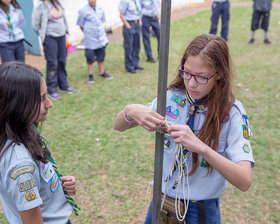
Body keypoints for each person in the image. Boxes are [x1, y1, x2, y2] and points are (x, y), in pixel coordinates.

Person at [114, 34, 254, 223]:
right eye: (186, 72)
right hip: (161, 200)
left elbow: (244, 181)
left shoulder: (232, 113)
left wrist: (201, 147)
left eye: (202, 77)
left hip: (200, 208)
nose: (191, 83)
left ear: (219, 73)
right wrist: (129, 111)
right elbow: (118, 126)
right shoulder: (171, 98)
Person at [0, 62, 80, 223]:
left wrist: (57, 185)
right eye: (42, 98)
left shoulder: (24, 128)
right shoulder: (20, 165)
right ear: (17, 105)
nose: (50, 104)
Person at [32, 0, 75, 100]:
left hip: (61, 37)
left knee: (62, 61)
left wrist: (66, 32)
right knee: (53, 63)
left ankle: (63, 85)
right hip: (50, 38)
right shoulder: (40, 6)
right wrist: (44, 35)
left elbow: (63, 19)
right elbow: (35, 24)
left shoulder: (57, 3)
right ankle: (52, 89)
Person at [77, 0, 113, 83]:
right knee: (90, 57)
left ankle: (102, 72)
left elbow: (102, 21)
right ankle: (90, 74)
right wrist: (88, 31)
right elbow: (81, 25)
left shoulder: (100, 8)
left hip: (100, 37)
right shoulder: (83, 11)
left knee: (101, 55)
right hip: (90, 38)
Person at [119, 0, 144, 74]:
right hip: (130, 24)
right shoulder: (125, 1)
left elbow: (138, 11)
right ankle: (129, 66)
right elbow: (121, 15)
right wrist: (128, 26)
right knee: (129, 46)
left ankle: (135, 63)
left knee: (136, 45)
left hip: (137, 24)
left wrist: (140, 21)